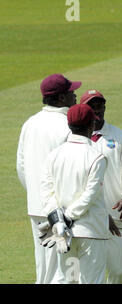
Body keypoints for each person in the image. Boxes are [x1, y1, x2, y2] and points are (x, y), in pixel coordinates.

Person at [16, 73, 81, 283]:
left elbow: (22, 167)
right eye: (71, 92)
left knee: (44, 270)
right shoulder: (67, 126)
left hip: (36, 207)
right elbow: (72, 170)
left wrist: (37, 194)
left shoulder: (29, 123)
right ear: (61, 98)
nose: (75, 95)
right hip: (62, 212)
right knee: (66, 272)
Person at [40, 103, 109, 284]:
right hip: (91, 231)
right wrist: (67, 218)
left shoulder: (54, 155)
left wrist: (58, 220)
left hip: (64, 233)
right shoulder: (97, 157)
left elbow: (47, 192)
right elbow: (90, 195)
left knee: (69, 281)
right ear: (91, 126)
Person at [80, 89, 122, 284]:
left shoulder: (120, 137)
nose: (97, 110)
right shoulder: (74, 138)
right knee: (84, 272)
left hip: (115, 215)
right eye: (92, 106)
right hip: (86, 216)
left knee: (118, 269)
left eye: (100, 105)